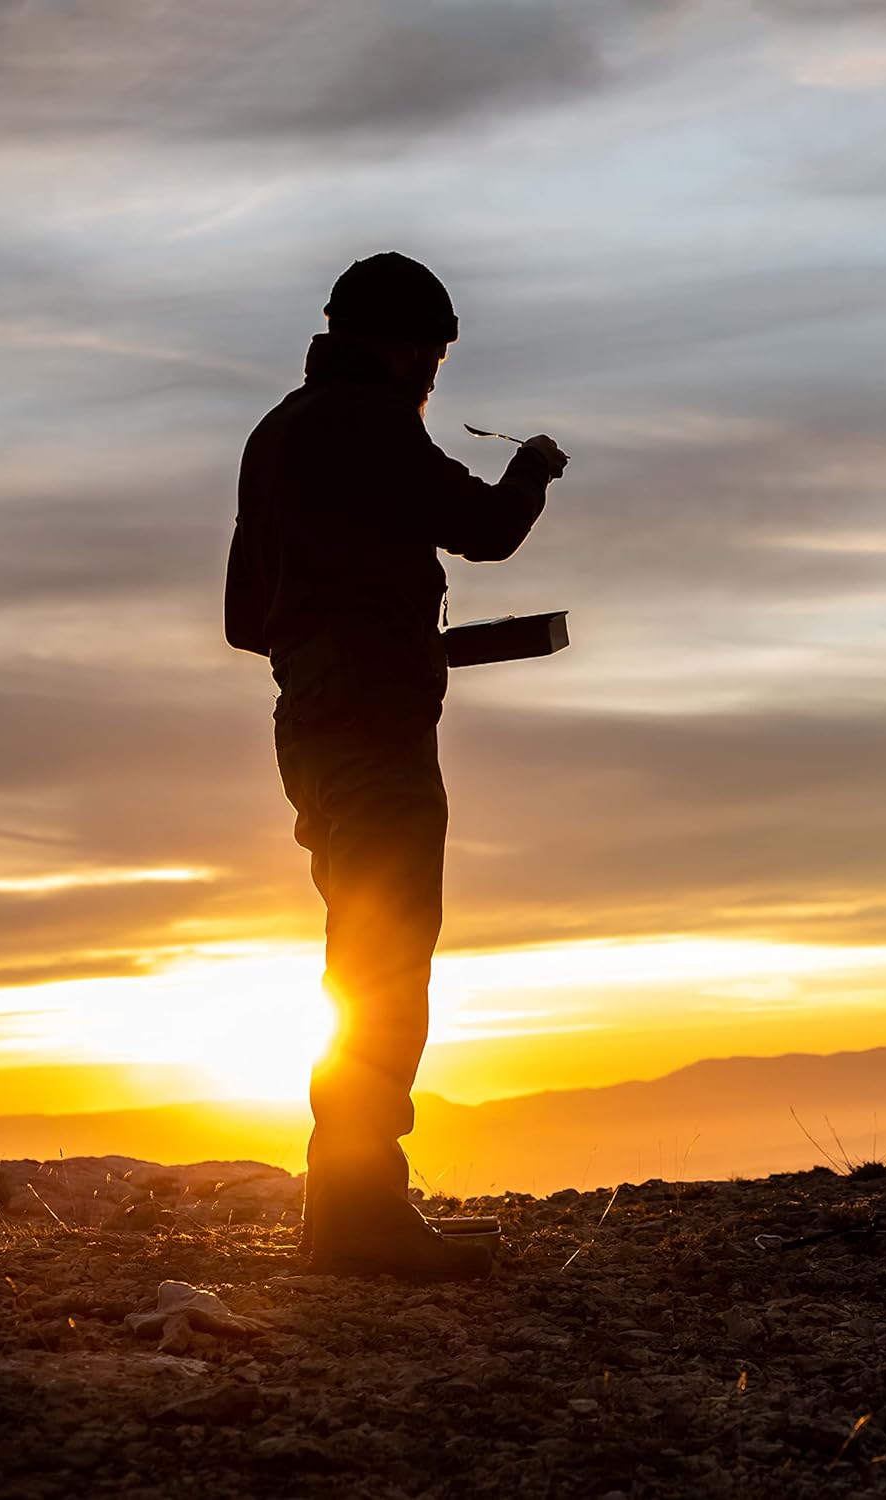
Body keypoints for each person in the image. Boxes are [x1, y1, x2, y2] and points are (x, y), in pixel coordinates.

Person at [224, 252, 567, 1280]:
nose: (434, 374)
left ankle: (346, 1211)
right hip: (373, 727)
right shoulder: (364, 421)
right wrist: (535, 469)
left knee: (360, 947)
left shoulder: (276, 431)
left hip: (310, 720)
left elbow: (250, 619)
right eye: (436, 351)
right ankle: (365, 1215)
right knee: (385, 958)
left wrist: (365, 629)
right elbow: (484, 531)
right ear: (407, 342)